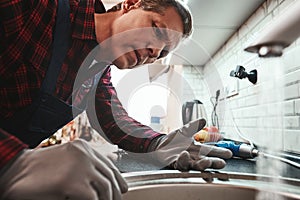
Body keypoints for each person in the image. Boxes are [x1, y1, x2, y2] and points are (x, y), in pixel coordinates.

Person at [0, 0, 232, 199]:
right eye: (158, 30)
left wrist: (158, 144)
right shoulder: (34, 8)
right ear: (131, 4)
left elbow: (115, 121)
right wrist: (12, 162)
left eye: (163, 53)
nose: (155, 52)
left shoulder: (96, 73)